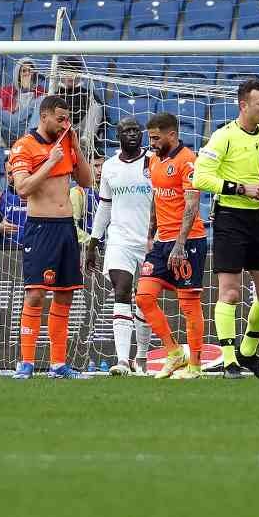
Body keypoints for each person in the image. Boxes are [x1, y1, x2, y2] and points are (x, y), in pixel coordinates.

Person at [187, 78, 259, 379]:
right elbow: (200, 178)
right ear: (243, 105)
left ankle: (249, 352)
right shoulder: (222, 137)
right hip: (230, 218)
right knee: (230, 293)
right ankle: (229, 361)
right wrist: (239, 188)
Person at [6, 94, 96, 378]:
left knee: (65, 295)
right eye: (60, 118)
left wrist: (75, 146)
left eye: (67, 118)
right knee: (35, 295)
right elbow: (22, 188)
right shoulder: (25, 146)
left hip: (66, 228)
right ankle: (27, 363)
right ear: (44, 116)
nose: (64, 123)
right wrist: (50, 161)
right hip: (41, 228)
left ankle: (58, 364)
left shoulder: (66, 142)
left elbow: (86, 181)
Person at [140, 112, 209, 380]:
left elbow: (192, 205)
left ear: (172, 134)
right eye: (151, 138)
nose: (152, 143)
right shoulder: (154, 160)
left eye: (156, 138)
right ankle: (174, 352)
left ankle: (195, 366)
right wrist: (151, 234)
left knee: (189, 304)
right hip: (162, 242)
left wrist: (180, 244)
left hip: (188, 240)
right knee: (144, 297)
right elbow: (156, 199)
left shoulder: (188, 161)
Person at [91, 118, 154, 376]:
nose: (132, 134)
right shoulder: (109, 167)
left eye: (136, 130)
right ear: (118, 135)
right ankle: (122, 360)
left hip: (150, 241)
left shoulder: (153, 162)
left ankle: (141, 357)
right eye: (126, 130)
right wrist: (94, 240)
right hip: (119, 240)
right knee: (122, 291)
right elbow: (105, 206)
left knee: (145, 300)